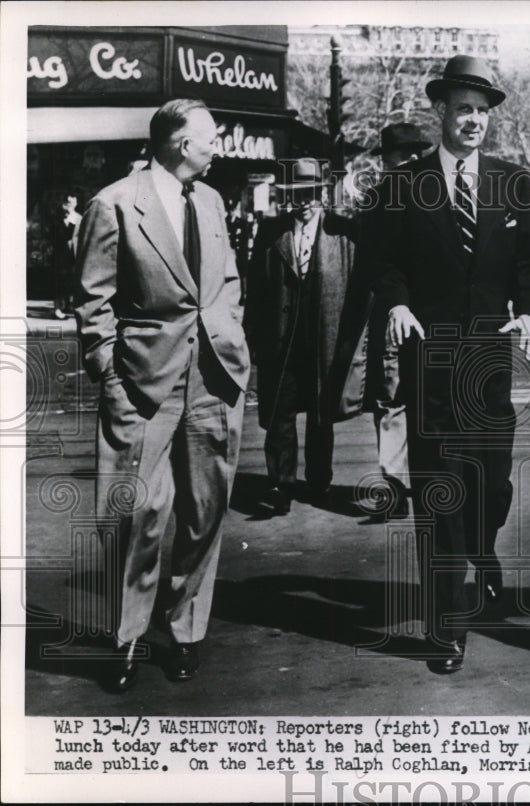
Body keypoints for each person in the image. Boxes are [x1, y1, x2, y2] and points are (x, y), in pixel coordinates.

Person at [370, 55, 530, 673]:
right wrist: (396, 302)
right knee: (438, 491)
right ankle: (445, 627)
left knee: (490, 484)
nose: (474, 121)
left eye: (482, 111)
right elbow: (383, 259)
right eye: (463, 110)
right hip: (431, 361)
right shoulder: (403, 185)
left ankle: (482, 547)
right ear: (441, 112)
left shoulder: (514, 183)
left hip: (490, 361)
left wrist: (528, 313)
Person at [75, 99, 249, 691]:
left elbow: (225, 282)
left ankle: (185, 632)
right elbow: (93, 302)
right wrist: (111, 372)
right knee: (138, 512)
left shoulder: (212, 201)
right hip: (143, 384)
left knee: (206, 509)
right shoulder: (115, 202)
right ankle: (125, 635)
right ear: (179, 143)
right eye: (210, 139)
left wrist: (234, 341)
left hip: (215, 378)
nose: (217, 147)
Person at [243, 159, 365, 515]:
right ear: (287, 198)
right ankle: (280, 483)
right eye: (299, 195)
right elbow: (256, 287)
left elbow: (359, 290)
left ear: (323, 194)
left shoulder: (344, 232)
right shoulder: (271, 233)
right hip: (282, 340)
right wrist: (253, 337)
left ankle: (318, 482)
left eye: (313, 194)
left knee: (320, 414)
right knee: (280, 413)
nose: (307, 203)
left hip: (325, 337)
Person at [360, 123, 433, 520]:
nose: (408, 160)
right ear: (385, 160)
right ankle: (394, 487)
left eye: (414, 153)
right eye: (400, 154)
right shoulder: (377, 200)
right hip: (391, 313)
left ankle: (426, 484)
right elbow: (370, 262)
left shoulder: (437, 196)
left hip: (431, 316)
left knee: (427, 399)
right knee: (391, 399)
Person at [52, 190, 81, 319]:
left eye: (73, 203)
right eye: (68, 203)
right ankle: (57, 307)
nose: (70, 205)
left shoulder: (79, 218)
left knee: (73, 280)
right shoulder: (57, 218)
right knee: (59, 280)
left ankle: (70, 304)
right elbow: (56, 236)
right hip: (60, 253)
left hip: (75, 254)